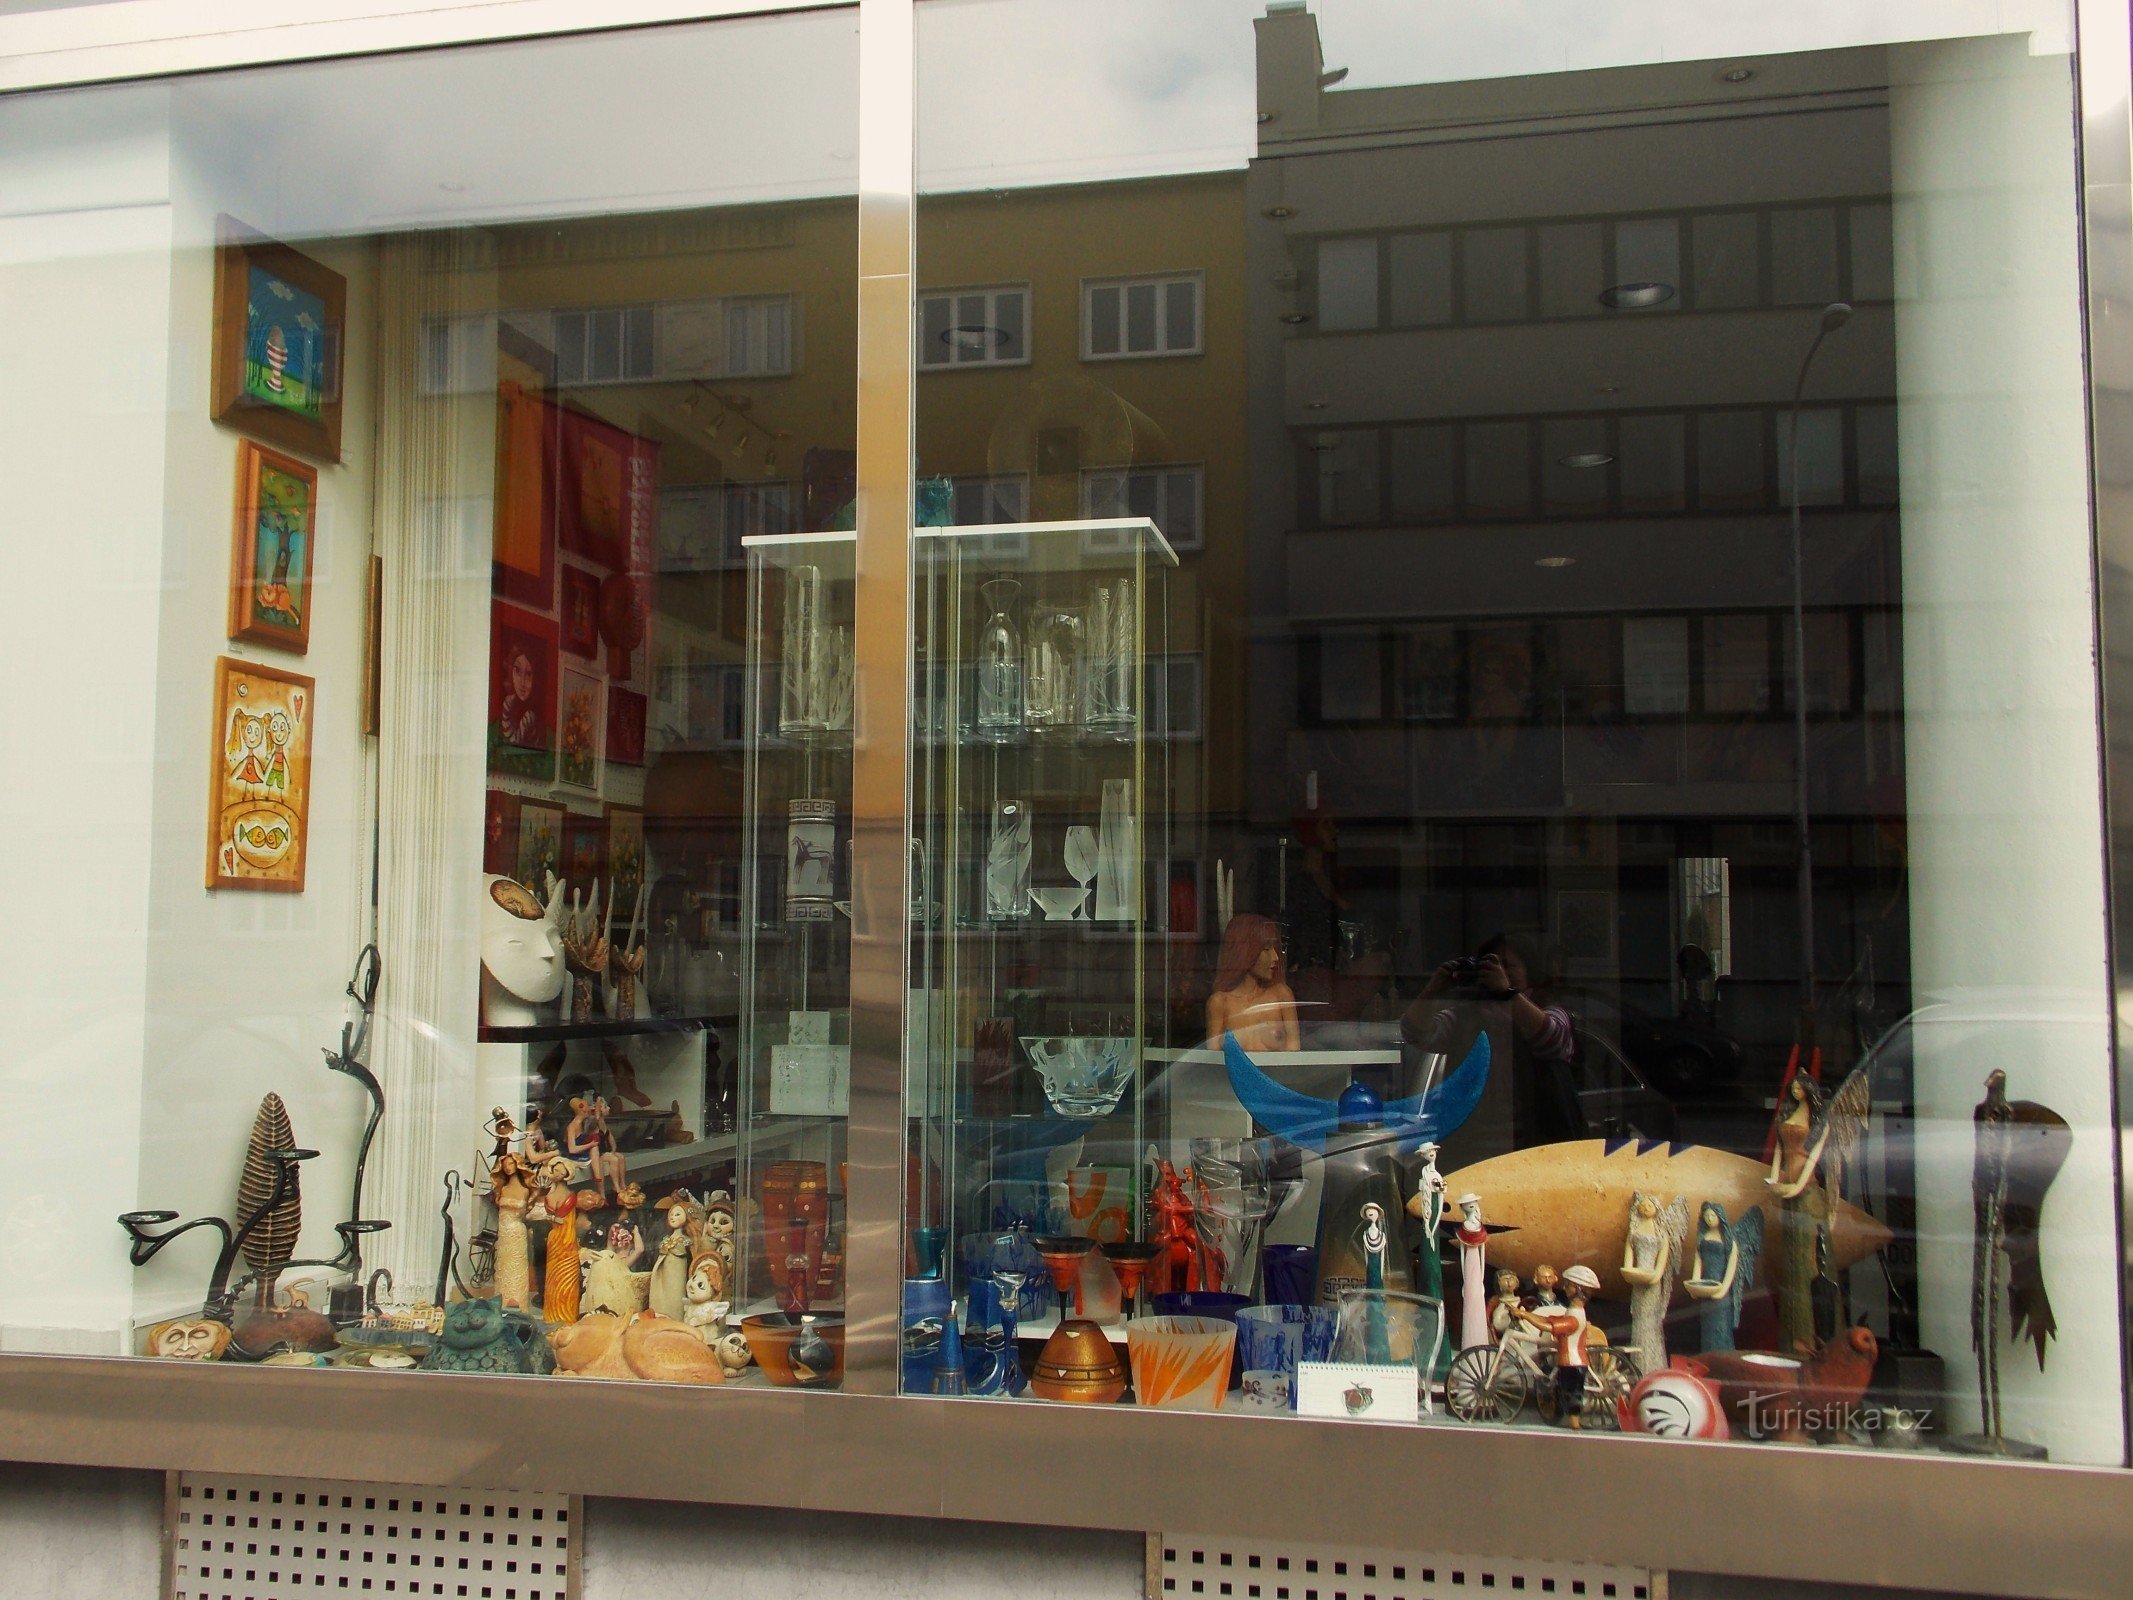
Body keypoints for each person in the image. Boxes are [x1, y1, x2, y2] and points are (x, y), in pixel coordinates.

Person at [1401, 932, 1581, 1153]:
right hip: (1471, 1146)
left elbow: (1552, 1039)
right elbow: (1415, 1033)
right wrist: (1433, 991)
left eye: (1508, 966)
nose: (1500, 972)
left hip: (1536, 1147)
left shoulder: (1549, 1009)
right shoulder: (1468, 1015)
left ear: (1529, 971)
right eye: (1492, 965)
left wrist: (1507, 994)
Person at [1204, 913, 1301, 1052]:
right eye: (1266, 949)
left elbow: (1294, 1055)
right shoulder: (1219, 1003)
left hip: (1276, 1068)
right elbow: (1213, 1059)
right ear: (1244, 951)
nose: (1275, 957)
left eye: (1275, 949)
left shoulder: (1281, 996)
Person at [1521, 1262, 1600, 1428]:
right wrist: (1525, 1314)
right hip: (1567, 1359)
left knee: (1572, 1394)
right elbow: (1551, 1320)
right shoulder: (1572, 1311)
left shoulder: (1575, 1315)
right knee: (1567, 1392)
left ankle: (1575, 1425)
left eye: (1568, 1285)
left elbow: (1550, 1327)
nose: (1564, 1288)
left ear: (1578, 1289)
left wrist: (1526, 1316)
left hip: (1572, 1361)